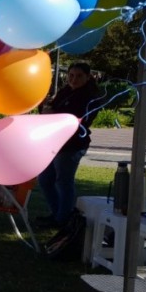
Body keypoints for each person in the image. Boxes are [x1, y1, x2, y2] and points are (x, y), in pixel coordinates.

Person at [38, 62, 101, 228]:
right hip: (56, 143)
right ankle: (58, 214)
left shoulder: (90, 97)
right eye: (71, 75)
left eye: (79, 76)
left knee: (63, 181)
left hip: (72, 145)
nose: (74, 79)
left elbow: (77, 119)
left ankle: (63, 219)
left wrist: (53, 114)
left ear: (88, 77)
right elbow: (50, 111)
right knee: (45, 179)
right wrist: (43, 106)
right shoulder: (66, 91)